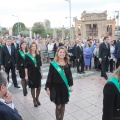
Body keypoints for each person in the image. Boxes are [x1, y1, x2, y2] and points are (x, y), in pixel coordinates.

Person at [45, 46, 73, 120]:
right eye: (60, 52)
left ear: (65, 54)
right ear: (57, 53)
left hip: (64, 87)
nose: (62, 54)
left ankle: (62, 118)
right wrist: (48, 87)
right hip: (55, 87)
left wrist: (71, 85)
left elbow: (69, 75)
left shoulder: (67, 64)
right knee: (58, 106)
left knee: (63, 105)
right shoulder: (53, 64)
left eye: (64, 52)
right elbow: (49, 76)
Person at [25, 42, 42, 107]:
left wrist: (42, 72)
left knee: (39, 87)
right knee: (32, 88)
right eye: (32, 46)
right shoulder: (27, 56)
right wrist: (26, 75)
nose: (34, 47)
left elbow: (40, 65)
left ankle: (37, 98)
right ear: (30, 47)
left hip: (37, 73)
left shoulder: (38, 55)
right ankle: (34, 100)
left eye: (35, 46)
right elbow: (26, 67)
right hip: (31, 73)